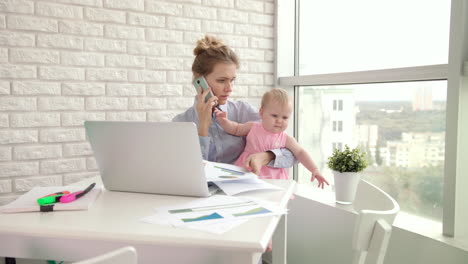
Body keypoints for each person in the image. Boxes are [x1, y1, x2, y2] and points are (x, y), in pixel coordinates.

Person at [172, 35, 296, 174]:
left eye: (232, 80)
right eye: (221, 80)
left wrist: (266, 156)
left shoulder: (244, 112)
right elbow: (189, 173)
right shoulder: (180, 123)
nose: (229, 88)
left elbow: (292, 154)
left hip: (243, 192)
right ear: (200, 81)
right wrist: (203, 128)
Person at [215, 88, 329, 188]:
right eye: (274, 116)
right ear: (261, 113)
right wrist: (224, 121)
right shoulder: (253, 127)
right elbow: (236, 129)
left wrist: (315, 169)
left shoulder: (286, 138)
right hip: (248, 169)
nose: (279, 120)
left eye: (285, 117)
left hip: (273, 178)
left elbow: (300, 152)